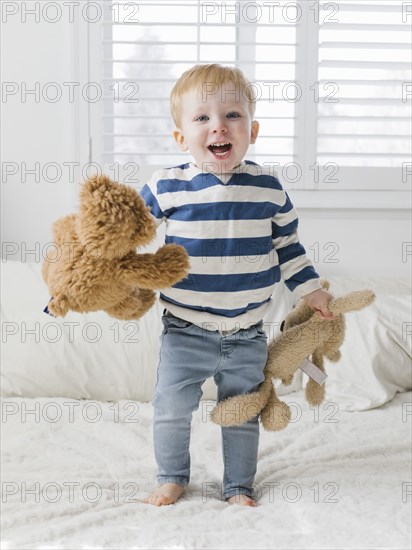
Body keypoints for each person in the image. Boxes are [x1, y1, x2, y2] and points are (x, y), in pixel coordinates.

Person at [140, 63, 334, 507]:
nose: (218, 127)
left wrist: (312, 291)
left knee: (242, 413)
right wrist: (103, 262)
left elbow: (289, 246)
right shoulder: (167, 185)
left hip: (248, 332)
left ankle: (238, 486)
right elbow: (131, 229)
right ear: (180, 136)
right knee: (171, 409)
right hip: (185, 330)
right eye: (202, 117)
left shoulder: (267, 188)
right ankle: (172, 476)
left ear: (252, 129)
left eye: (232, 116)